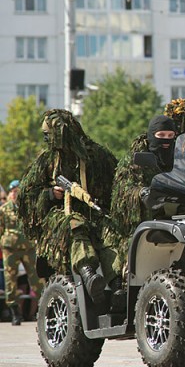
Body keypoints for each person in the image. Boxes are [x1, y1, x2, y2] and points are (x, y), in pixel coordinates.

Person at [18, 109, 119, 305]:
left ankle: (117, 285)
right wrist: (50, 194)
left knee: (111, 236)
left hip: (96, 212)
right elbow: (25, 196)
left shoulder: (97, 156)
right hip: (62, 217)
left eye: (48, 135)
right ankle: (88, 274)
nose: (46, 139)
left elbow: (115, 184)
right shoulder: (46, 161)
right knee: (75, 227)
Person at [105, 115, 178, 279]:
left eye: (170, 136)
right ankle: (123, 284)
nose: (166, 141)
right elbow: (122, 192)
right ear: (152, 136)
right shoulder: (135, 159)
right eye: (161, 136)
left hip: (176, 217)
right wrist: (142, 193)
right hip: (140, 224)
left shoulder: (180, 159)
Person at [0, 180, 44, 325]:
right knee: (10, 280)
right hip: (10, 248)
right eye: (13, 191)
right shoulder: (4, 209)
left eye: (17, 191)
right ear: (9, 193)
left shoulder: (27, 209)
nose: (15, 194)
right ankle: (15, 312)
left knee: (36, 279)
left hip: (28, 247)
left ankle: (44, 308)